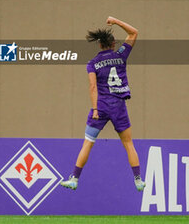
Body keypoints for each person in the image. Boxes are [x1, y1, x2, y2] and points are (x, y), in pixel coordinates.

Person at [61, 16, 146, 192]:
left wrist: (95, 109)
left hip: (101, 106)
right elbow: (134, 32)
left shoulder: (92, 63)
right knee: (128, 143)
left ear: (99, 45)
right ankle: (138, 179)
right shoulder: (121, 54)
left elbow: (93, 87)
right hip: (119, 105)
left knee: (87, 143)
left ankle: (74, 179)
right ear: (114, 44)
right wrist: (116, 21)